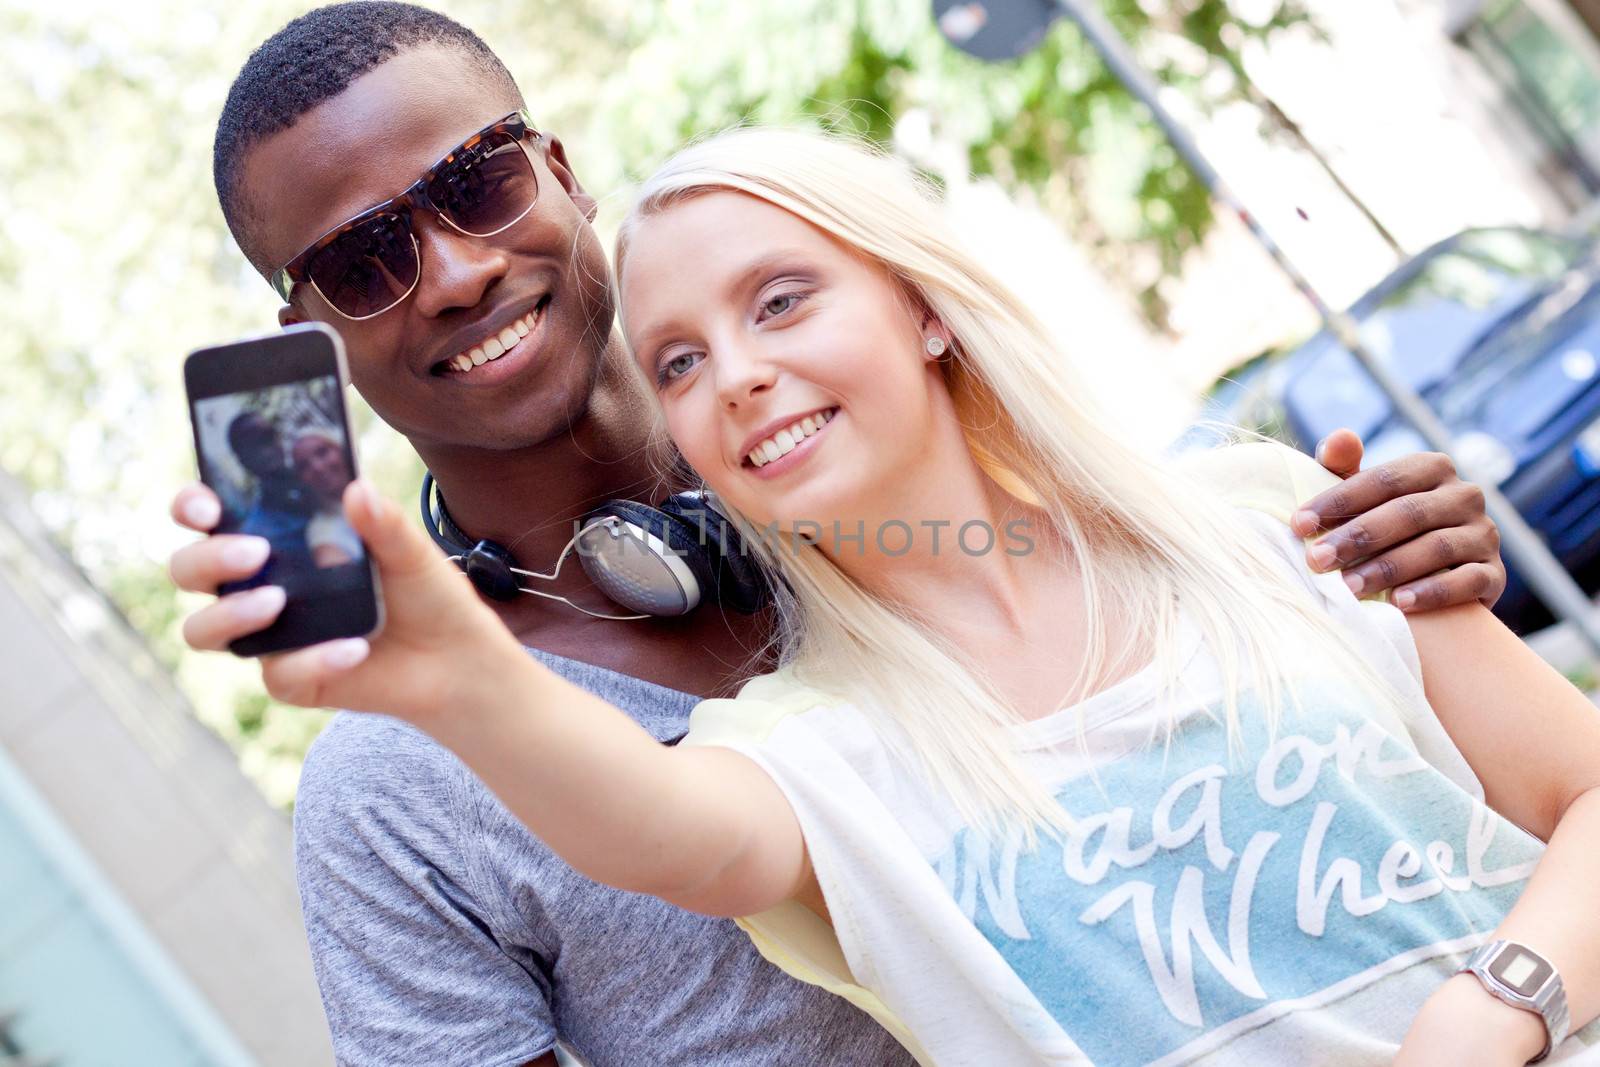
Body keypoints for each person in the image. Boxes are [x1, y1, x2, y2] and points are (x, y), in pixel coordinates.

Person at [167, 5, 1513, 1064]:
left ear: (560, 171)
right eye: (363, 263)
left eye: (477, 181)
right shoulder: (394, 784)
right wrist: (448, 673)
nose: (455, 270)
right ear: (311, 340)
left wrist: (1406, 603)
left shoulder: (904, 488)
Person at [224, 411, 315, 576]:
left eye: (268, 437)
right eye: (252, 445)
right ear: (242, 460)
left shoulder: (325, 478)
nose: (266, 450)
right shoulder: (255, 537)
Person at [291, 428, 361, 567]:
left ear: (340, 449)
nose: (317, 467)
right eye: (304, 466)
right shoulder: (321, 531)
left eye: (322, 452)